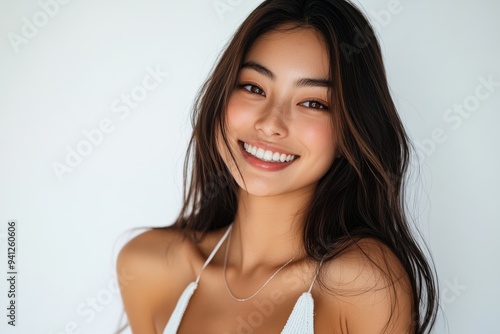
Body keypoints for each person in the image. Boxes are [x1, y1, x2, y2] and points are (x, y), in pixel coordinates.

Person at [116, 0, 439, 333]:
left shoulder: (362, 284)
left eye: (313, 103)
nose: (271, 124)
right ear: (221, 97)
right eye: (254, 88)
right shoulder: (147, 266)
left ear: (348, 132)